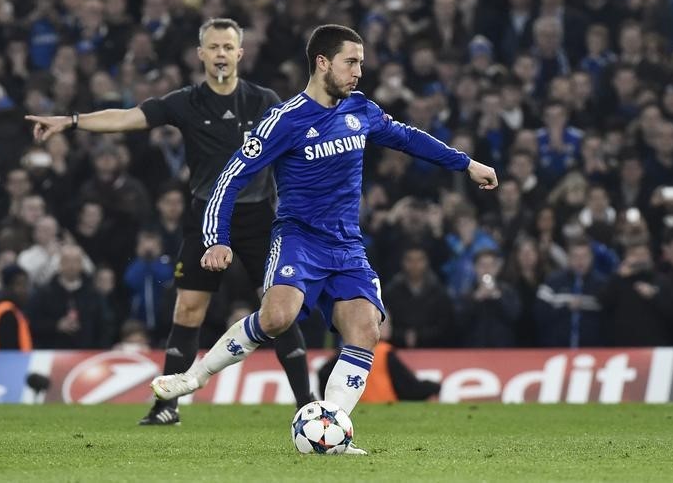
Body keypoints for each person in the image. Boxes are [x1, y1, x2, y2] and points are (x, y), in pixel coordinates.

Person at [150, 24, 497, 454]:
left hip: (347, 245)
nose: (358, 72)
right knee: (278, 317)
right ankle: (196, 377)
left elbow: (408, 139)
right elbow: (230, 178)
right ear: (322, 62)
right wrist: (216, 239)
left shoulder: (362, 110)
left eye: (361, 63)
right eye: (351, 62)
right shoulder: (285, 120)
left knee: (366, 329)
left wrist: (466, 164)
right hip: (298, 238)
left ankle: (332, 431)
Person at [26, 17, 313, 426]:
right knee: (189, 310)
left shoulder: (264, 100)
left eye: (228, 48)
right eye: (213, 47)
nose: (220, 55)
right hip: (204, 218)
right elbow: (126, 118)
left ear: (240, 54)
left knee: (278, 310)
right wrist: (70, 122)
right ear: (200, 54)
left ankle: (308, 403)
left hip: (257, 217)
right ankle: (167, 407)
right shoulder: (186, 102)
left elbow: (303, 139)